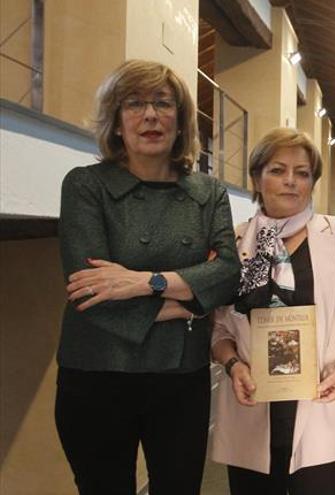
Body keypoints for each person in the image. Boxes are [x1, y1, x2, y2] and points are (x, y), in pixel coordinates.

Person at [55, 59, 241, 494]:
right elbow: (89, 291)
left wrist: (144, 282)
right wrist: (187, 303)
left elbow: (228, 274)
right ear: (117, 122)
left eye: (163, 103)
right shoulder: (85, 186)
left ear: (181, 121)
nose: (151, 115)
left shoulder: (208, 193)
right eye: (134, 104)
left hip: (180, 379)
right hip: (97, 374)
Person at [210, 127, 335, 494]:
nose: (290, 181)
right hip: (252, 401)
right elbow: (220, 327)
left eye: (302, 173)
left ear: (312, 182)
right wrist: (233, 365)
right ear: (257, 178)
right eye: (277, 170)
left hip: (324, 400)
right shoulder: (235, 241)